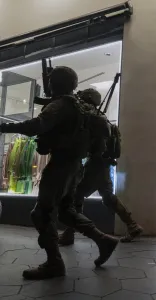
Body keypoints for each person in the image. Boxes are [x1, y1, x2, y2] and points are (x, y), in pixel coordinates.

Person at [0, 67, 118, 280]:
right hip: (74, 165)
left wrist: (3, 127)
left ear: (55, 83)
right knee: (65, 211)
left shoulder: (61, 105)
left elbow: (36, 125)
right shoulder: (81, 107)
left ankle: (54, 263)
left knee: (41, 214)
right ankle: (103, 240)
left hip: (61, 165)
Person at [58, 88, 143, 245]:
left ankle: (69, 233)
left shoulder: (93, 118)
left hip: (96, 164)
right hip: (103, 164)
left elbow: (91, 144)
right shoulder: (101, 119)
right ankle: (132, 225)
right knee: (107, 197)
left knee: (76, 196)